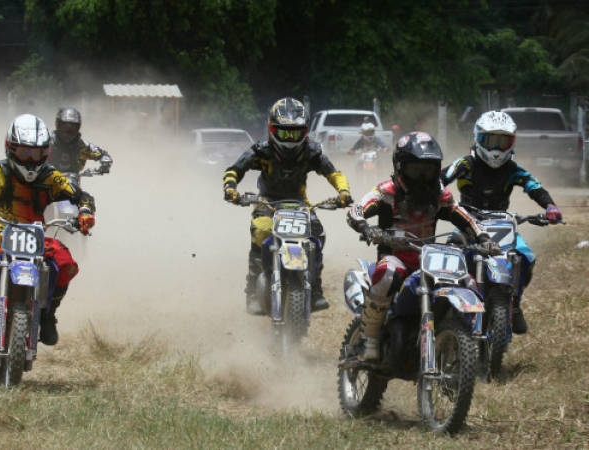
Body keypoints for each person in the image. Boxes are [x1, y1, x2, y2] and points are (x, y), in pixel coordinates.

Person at [347, 131, 492, 361]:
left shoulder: (440, 196)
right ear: (400, 167)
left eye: (429, 169)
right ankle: (369, 338)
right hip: (395, 257)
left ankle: (469, 347)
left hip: (428, 260)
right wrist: (366, 228)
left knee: (468, 281)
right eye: (416, 169)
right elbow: (357, 210)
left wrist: (484, 237)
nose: (423, 177)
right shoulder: (386, 192)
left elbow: (463, 216)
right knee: (387, 273)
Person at [223, 97, 353, 315]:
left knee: (317, 234)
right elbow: (235, 169)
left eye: (295, 132)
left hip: (299, 204)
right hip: (267, 202)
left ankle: (316, 288)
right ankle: (253, 292)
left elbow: (334, 173)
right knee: (261, 231)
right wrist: (230, 188)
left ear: (305, 131)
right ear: (272, 129)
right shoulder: (261, 151)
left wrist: (344, 192)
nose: (290, 138)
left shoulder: (312, 151)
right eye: (285, 133)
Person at [441, 110, 563, 334]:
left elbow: (534, 186)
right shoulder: (466, 164)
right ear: (478, 138)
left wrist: (550, 206)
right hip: (467, 224)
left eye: (503, 141)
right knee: (446, 259)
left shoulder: (512, 170)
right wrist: (435, 199)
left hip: (501, 226)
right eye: (490, 140)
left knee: (526, 257)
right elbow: (441, 179)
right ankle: (442, 308)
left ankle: (514, 303)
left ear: (512, 143)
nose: (496, 148)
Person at [0, 114, 96, 345]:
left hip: (36, 235)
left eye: (37, 153)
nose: (30, 160)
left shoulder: (51, 177)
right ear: (10, 148)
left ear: (46, 152)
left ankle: (48, 315)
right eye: (24, 152)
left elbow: (82, 196)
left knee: (66, 264)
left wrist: (86, 212)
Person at [49, 107, 112, 174]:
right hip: (45, 181)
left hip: (71, 182)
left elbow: (103, 154)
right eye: (64, 127)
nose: (67, 132)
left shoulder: (82, 145)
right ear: (57, 124)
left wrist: (105, 164)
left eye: (73, 128)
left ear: (78, 127)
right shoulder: (46, 143)